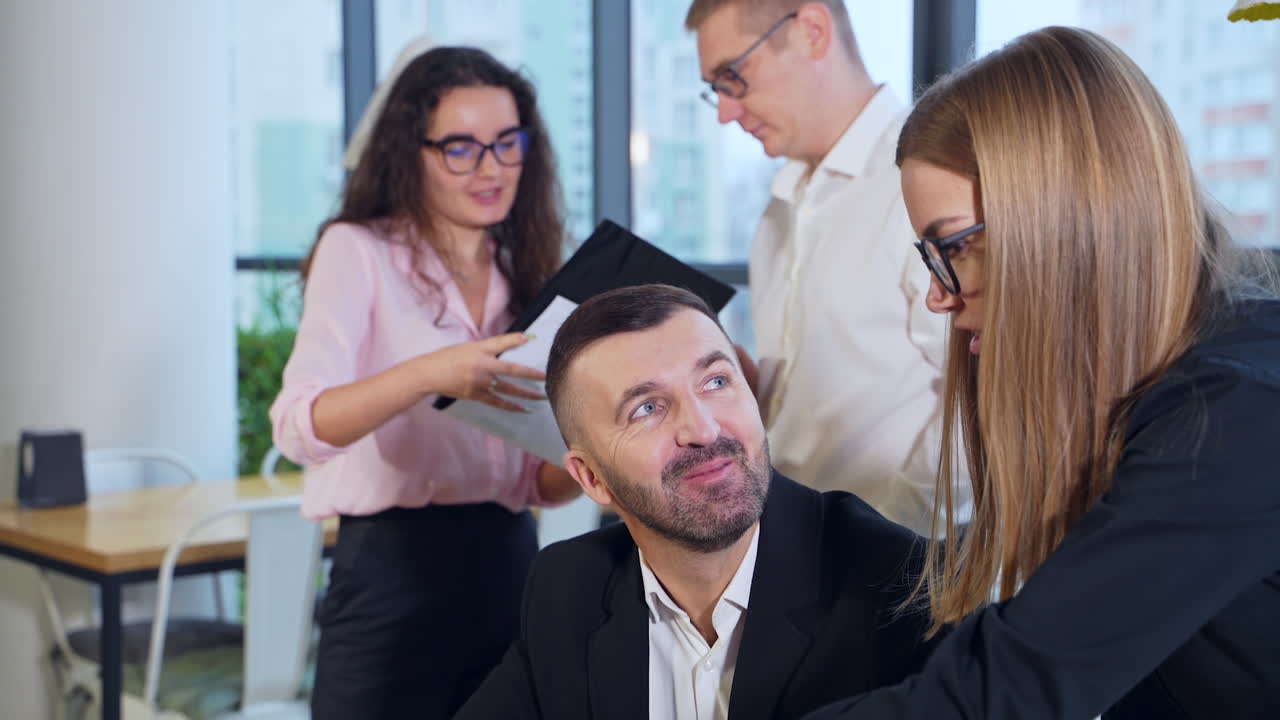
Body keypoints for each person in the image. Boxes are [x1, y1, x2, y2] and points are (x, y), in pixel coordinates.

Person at [806, 26, 1280, 719]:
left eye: (955, 248)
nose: (940, 295)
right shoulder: (1170, 389)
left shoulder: (1235, 414)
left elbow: (1007, 690)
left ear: (1063, 224)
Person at [455, 284, 937, 720]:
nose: (704, 429)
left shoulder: (899, 583)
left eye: (716, 382)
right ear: (592, 478)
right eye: (647, 408)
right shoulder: (569, 587)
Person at [269, 46, 580, 719]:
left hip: (506, 562)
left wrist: (598, 450)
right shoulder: (358, 251)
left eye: (506, 144)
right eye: (460, 148)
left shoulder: (522, 268)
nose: (490, 168)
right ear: (413, 152)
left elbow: (533, 483)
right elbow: (299, 426)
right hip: (391, 572)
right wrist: (427, 376)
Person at [687, 0, 969, 535]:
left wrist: (894, 534)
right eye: (714, 88)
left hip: (898, 565)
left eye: (732, 76)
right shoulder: (778, 211)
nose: (724, 112)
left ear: (812, 31)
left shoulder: (925, 182)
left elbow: (981, 402)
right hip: (794, 550)